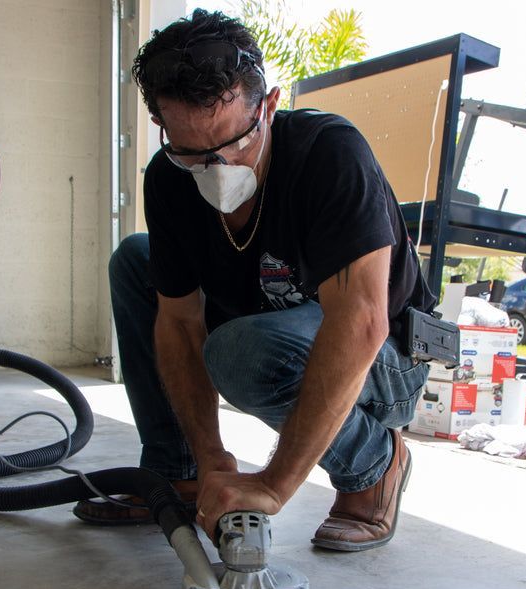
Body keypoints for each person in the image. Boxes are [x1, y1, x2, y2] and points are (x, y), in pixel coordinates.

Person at [73, 9, 435, 552]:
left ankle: (374, 467)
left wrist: (272, 485)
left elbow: (362, 321)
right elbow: (176, 322)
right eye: (190, 152)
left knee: (240, 351)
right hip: (269, 322)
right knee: (135, 261)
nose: (216, 168)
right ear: (162, 127)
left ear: (267, 106)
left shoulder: (328, 154)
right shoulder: (169, 180)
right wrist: (211, 455)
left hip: (388, 358)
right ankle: (182, 470)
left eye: (233, 143)